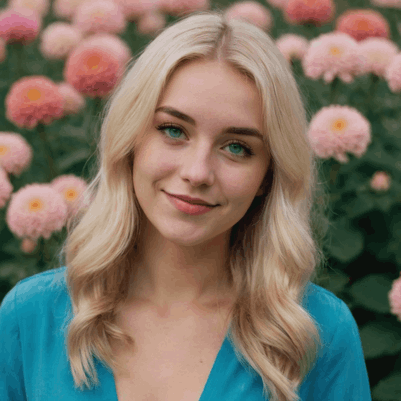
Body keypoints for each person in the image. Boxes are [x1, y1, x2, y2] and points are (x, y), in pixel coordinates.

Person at [0, 9, 372, 401]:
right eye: (173, 130)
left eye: (237, 148)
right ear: (131, 140)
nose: (197, 172)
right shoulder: (30, 318)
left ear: (268, 175)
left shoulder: (316, 332)